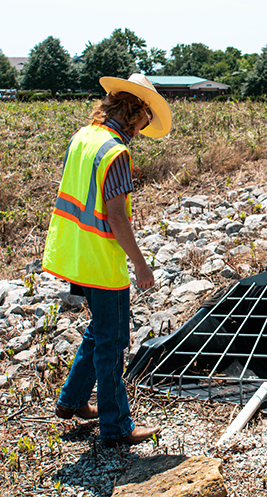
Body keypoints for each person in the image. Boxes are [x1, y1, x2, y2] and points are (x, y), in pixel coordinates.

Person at [41, 73, 171, 445]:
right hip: (101, 261)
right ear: (138, 111)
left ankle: (72, 401)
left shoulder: (84, 137)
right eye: (148, 117)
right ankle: (116, 427)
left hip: (75, 253)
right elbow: (116, 218)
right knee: (113, 343)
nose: (147, 126)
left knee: (100, 330)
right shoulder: (116, 151)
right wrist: (141, 265)